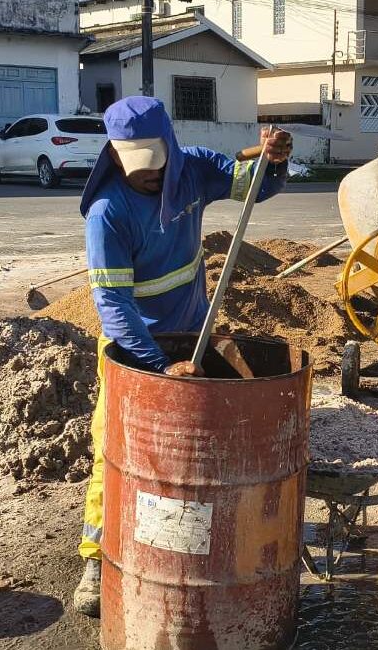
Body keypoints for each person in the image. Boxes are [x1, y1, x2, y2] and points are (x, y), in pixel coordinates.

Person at [73, 96, 292, 616]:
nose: (147, 178)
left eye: (156, 167)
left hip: (193, 336)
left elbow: (252, 186)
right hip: (137, 348)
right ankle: (96, 555)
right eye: (136, 170)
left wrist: (273, 159)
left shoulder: (192, 168)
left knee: (193, 451)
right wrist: (155, 365)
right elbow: (112, 302)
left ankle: (190, 540)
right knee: (116, 449)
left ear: (170, 147)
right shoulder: (108, 213)